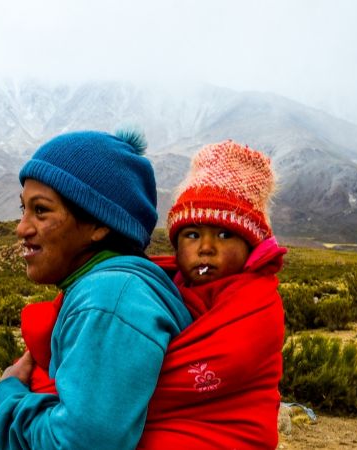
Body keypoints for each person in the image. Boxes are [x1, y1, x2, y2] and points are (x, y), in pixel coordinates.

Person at [0, 128, 193, 450]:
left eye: (41, 210)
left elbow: (78, 444)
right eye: (23, 209)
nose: (21, 228)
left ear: (99, 224)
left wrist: (8, 394)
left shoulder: (108, 299)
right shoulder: (113, 288)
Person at [138, 140, 287, 449]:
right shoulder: (160, 285)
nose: (206, 247)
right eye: (192, 235)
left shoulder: (258, 303)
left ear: (250, 247)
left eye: (223, 234)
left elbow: (210, 370)